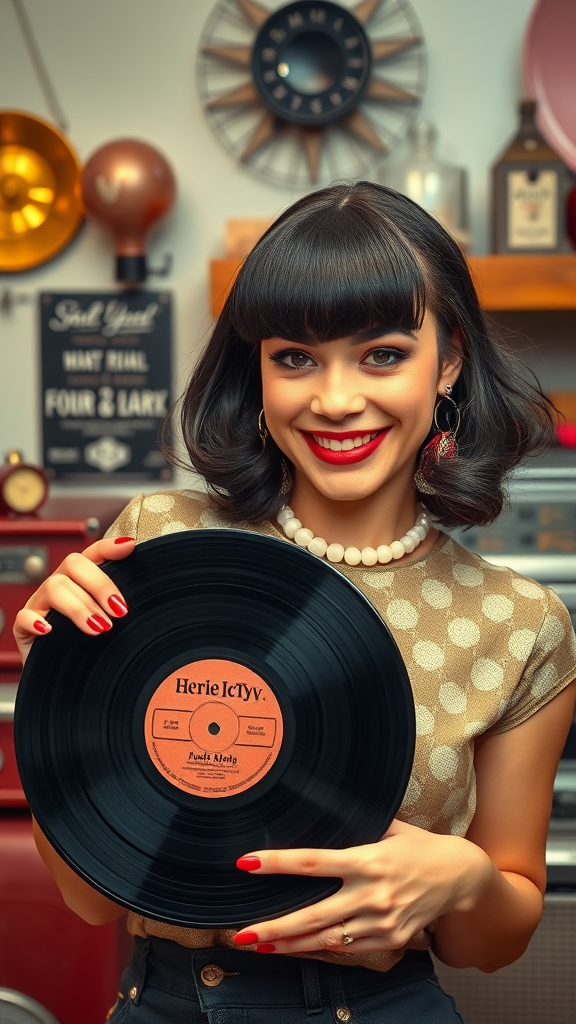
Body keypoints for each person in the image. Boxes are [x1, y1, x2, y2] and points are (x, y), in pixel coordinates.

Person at [14, 182, 576, 1024]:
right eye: (296, 357)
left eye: (382, 353)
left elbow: (489, 943)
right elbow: (93, 898)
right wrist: (59, 689)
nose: (336, 399)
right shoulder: (157, 538)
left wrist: (465, 879)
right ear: (258, 366)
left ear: (448, 358)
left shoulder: (521, 624)